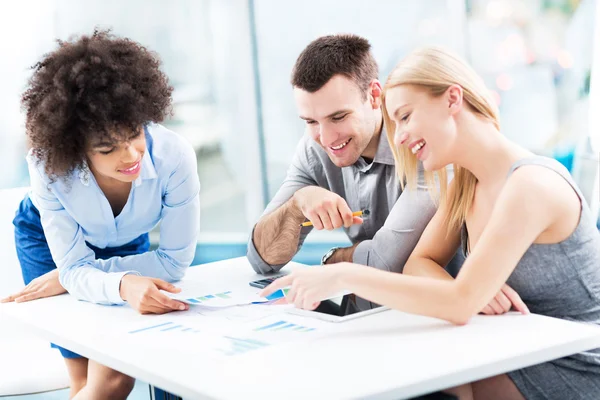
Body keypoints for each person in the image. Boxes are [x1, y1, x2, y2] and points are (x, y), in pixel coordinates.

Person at [262, 46, 600, 399]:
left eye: (406, 117)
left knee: (418, 385)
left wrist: (342, 275)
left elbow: (458, 304)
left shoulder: (531, 184)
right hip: (511, 348)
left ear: (453, 99)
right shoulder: (463, 185)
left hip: (574, 363)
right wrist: (475, 291)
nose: (401, 138)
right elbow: (417, 265)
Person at [1, 30, 200, 399]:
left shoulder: (174, 157)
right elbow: (74, 265)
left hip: (124, 243)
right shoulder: (48, 167)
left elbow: (172, 264)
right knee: (92, 384)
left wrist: (75, 277)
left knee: (116, 376)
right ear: (77, 150)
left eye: (134, 134)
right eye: (108, 148)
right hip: (47, 240)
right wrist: (90, 275)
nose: (130, 156)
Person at [247, 34, 463, 280]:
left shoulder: (422, 143)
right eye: (311, 121)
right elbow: (260, 258)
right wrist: (298, 204)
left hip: (444, 309)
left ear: (373, 96)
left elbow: (386, 263)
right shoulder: (314, 148)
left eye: (338, 117)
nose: (326, 138)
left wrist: (333, 259)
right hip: (371, 309)